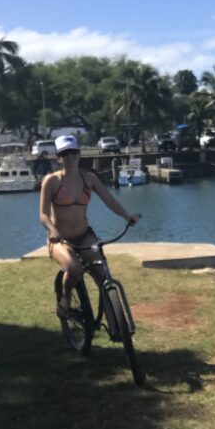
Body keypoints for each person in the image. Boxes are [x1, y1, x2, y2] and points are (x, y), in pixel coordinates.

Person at [39, 135, 139, 318]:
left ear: (79, 154)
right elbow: (43, 214)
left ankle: (116, 321)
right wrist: (52, 231)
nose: (70, 157)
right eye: (65, 153)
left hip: (84, 236)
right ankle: (66, 297)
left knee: (102, 272)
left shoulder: (89, 179)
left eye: (73, 152)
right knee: (74, 267)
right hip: (60, 239)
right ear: (58, 157)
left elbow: (109, 200)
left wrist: (127, 216)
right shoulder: (51, 181)